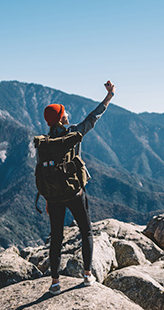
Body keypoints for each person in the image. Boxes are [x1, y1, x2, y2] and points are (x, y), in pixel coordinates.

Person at [42, 80, 116, 295]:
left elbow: (45, 173)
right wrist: (110, 96)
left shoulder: (45, 142)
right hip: (75, 192)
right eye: (64, 113)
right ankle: (86, 275)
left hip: (54, 196)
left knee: (56, 237)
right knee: (86, 232)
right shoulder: (74, 133)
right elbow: (93, 117)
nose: (67, 114)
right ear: (60, 118)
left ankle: (55, 283)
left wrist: (47, 198)